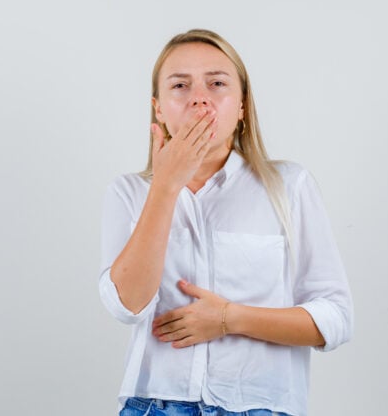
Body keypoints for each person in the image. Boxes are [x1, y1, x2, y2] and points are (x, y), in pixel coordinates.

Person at [99, 29, 353, 416]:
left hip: (261, 406)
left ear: (241, 106)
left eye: (217, 83)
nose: (199, 97)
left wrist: (228, 319)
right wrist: (166, 187)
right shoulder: (129, 192)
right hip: (153, 404)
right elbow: (126, 306)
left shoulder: (289, 186)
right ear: (158, 108)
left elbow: (335, 319)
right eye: (180, 85)